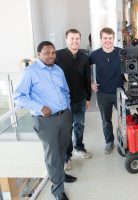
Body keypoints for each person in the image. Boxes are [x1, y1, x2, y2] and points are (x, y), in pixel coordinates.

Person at [14, 41, 75, 200]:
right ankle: (57, 190)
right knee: (52, 156)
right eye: (47, 53)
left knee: (62, 151)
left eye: (53, 52)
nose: (51, 56)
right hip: (46, 121)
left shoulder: (58, 69)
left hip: (64, 116)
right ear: (39, 54)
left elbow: (65, 91)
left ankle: (60, 176)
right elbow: (18, 96)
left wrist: (67, 108)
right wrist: (40, 107)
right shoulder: (30, 72)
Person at [55, 29, 92, 171]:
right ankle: (67, 156)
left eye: (77, 38)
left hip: (80, 98)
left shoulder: (84, 58)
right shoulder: (58, 56)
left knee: (79, 125)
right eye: (72, 38)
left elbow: (87, 79)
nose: (75, 41)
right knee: (66, 129)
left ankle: (79, 147)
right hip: (64, 101)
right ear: (66, 40)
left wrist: (88, 97)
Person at [90, 27, 124, 154]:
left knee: (124, 118)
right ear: (101, 39)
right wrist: (91, 82)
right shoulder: (94, 55)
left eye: (110, 38)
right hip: (103, 93)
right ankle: (109, 142)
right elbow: (85, 70)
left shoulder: (121, 53)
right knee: (106, 120)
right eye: (105, 38)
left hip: (119, 91)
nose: (108, 41)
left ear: (113, 38)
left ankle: (126, 139)